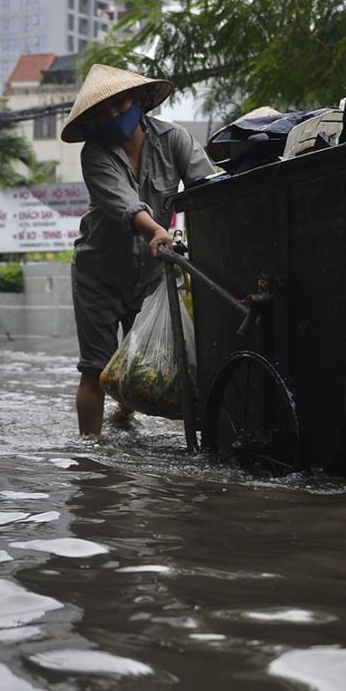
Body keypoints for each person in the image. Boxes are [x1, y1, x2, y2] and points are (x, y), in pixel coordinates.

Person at [65, 64, 214, 436]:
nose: (115, 115)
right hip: (97, 273)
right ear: (95, 122)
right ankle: (91, 455)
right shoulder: (96, 155)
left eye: (121, 103)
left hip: (151, 273)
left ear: (139, 101)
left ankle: (125, 416)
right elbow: (125, 204)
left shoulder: (175, 139)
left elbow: (208, 187)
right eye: (104, 112)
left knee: (148, 360)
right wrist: (156, 229)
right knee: (95, 368)